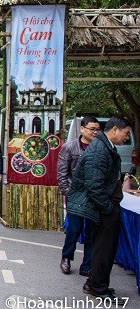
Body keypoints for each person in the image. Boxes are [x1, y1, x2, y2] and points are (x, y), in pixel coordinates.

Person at [67, 116, 131, 303]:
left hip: (104, 206)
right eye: (126, 133)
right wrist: (108, 208)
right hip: (103, 208)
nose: (126, 138)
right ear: (115, 130)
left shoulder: (104, 147)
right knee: (103, 249)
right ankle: (98, 287)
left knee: (101, 248)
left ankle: (95, 282)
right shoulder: (100, 150)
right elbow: (94, 186)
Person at [58, 116, 100, 276]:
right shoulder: (70, 148)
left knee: (91, 231)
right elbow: (62, 173)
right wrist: (68, 192)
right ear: (82, 129)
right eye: (92, 129)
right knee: (74, 229)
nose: (95, 132)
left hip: (94, 196)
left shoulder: (100, 148)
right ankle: (66, 257)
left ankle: (87, 265)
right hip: (75, 195)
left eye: (97, 129)